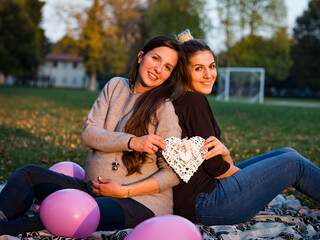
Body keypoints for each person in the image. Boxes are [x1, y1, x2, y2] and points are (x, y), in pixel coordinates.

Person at [171, 29, 320, 225]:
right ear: (184, 71)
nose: (209, 74)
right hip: (208, 204)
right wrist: (252, 178)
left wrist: (227, 157)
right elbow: (216, 167)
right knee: (293, 163)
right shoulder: (193, 100)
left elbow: (214, 161)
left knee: (287, 153)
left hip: (203, 196)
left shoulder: (184, 99)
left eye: (211, 66)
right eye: (198, 69)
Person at [0, 35, 186, 236]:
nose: (159, 69)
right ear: (141, 56)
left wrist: (125, 191)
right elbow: (89, 133)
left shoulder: (163, 108)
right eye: (156, 59)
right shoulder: (115, 86)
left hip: (139, 203)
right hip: (91, 190)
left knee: (63, 215)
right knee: (28, 174)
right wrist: (132, 142)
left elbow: (173, 173)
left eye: (168, 67)